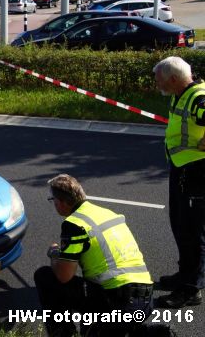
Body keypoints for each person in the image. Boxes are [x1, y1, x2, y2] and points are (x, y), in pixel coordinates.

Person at [34, 174, 154, 337]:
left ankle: (63, 333)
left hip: (117, 301)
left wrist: (55, 254)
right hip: (145, 298)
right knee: (91, 323)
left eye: (52, 200)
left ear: (61, 202)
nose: (53, 204)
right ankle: (135, 330)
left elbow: (64, 276)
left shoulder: (74, 224)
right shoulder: (107, 213)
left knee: (44, 276)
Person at [153, 56, 205, 308]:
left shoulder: (198, 97)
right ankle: (184, 275)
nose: (157, 84)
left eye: (159, 79)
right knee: (181, 226)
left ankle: (191, 289)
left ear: (173, 79)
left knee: (194, 232)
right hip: (182, 169)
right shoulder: (181, 94)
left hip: (197, 172)